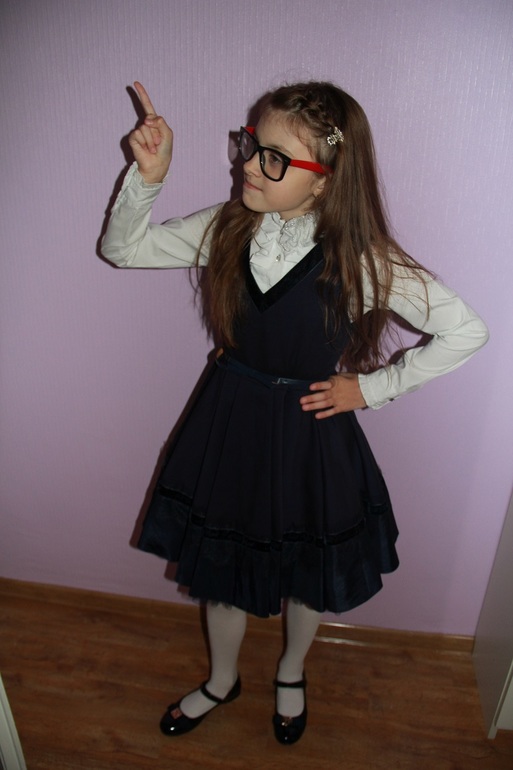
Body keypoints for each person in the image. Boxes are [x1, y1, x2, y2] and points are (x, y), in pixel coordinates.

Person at [101, 80, 488, 744]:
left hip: (312, 431)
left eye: (274, 158)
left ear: (324, 181)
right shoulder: (226, 226)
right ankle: (222, 680)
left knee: (308, 573)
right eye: (251, 144)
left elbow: (466, 331)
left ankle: (290, 671)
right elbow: (123, 249)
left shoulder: (362, 259)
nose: (249, 164)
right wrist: (149, 177)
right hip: (230, 423)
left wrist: (371, 389)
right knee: (222, 571)